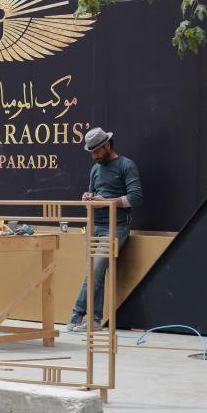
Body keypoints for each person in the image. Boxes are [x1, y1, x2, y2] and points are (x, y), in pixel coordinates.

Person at [67, 127, 143, 332]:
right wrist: (88, 198)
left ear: (108, 145)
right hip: (94, 225)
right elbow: (93, 193)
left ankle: (76, 314)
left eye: (97, 151)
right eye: (91, 152)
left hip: (116, 227)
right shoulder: (95, 169)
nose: (94, 156)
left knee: (95, 270)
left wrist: (107, 202)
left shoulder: (126, 165)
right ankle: (94, 321)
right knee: (95, 273)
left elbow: (136, 197)